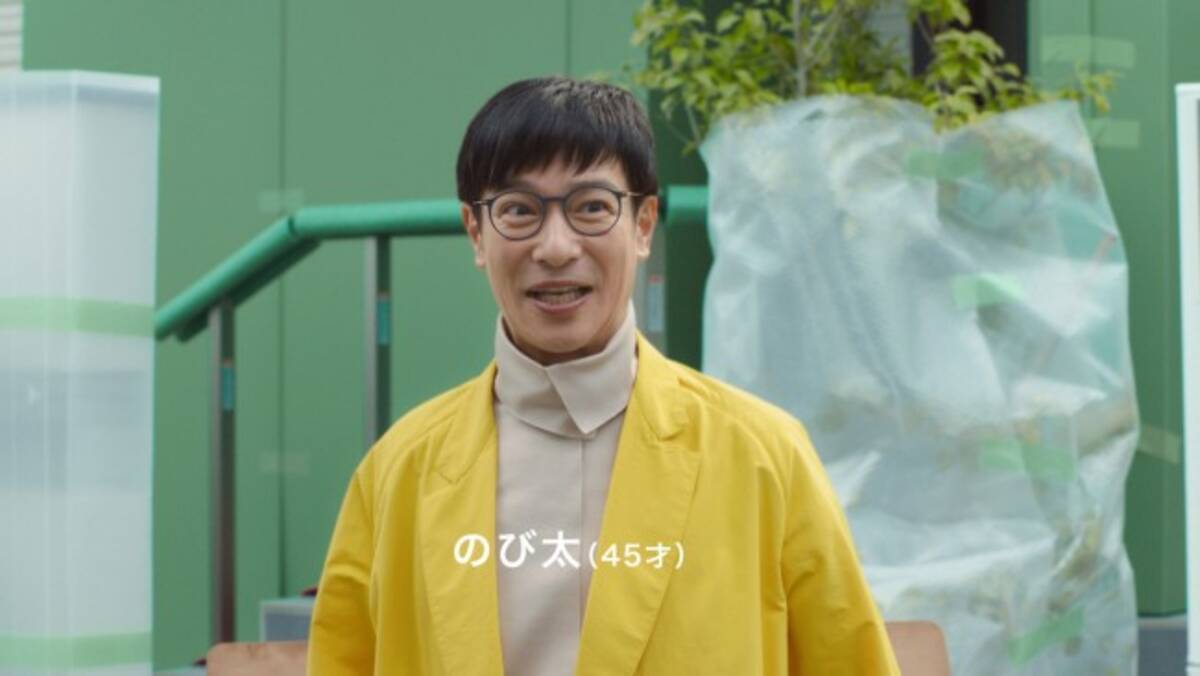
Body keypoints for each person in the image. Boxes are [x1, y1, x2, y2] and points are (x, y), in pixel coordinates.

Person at [307, 76, 900, 675]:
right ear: (476, 232)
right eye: (519, 210)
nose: (556, 247)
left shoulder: (764, 456)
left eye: (591, 207)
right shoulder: (399, 471)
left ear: (643, 223)